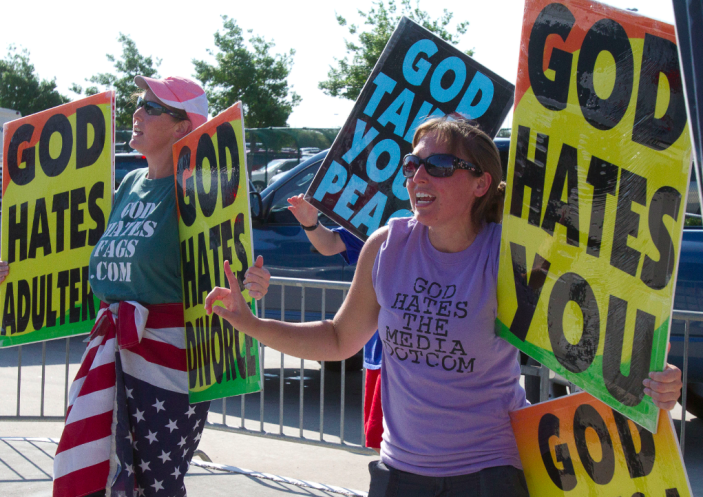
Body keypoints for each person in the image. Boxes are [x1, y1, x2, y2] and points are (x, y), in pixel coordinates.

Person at [204, 116, 683, 497]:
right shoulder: (386, 244)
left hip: (490, 474)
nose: (418, 176)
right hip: (400, 473)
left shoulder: (511, 255)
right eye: (413, 165)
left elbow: (597, 337)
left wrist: (655, 377)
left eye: (439, 166)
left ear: (480, 183)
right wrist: (252, 323)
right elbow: (337, 338)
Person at [0, 75, 271, 497]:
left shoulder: (198, 189)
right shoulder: (129, 185)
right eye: (140, 103)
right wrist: (18, 273)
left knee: (154, 487)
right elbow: (100, 267)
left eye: (152, 107)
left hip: (171, 366)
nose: (137, 114)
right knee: (102, 479)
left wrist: (253, 284)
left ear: (183, 127)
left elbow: (227, 274)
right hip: (114, 352)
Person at [287, 194, 384, 452]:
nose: (418, 176)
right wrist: (311, 224)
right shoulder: (384, 221)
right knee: (385, 450)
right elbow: (330, 243)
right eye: (411, 166)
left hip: (431, 368)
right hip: (382, 358)